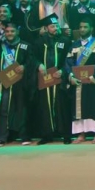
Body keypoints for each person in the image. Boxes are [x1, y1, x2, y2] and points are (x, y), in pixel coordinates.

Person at [0, 22, 35, 146]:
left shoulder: (26, 46)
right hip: (4, 82)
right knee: (3, 109)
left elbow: (32, 61)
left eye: (12, 31)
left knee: (21, 109)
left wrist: (24, 66)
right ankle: (2, 136)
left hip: (20, 82)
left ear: (17, 32)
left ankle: (24, 136)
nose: (9, 34)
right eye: (7, 31)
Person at [64, 16, 95, 142]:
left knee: (94, 106)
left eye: (85, 27)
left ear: (91, 29)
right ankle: (81, 134)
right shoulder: (74, 45)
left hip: (92, 81)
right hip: (78, 82)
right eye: (80, 27)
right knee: (79, 107)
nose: (82, 29)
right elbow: (68, 62)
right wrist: (70, 76)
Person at [34, 13, 69, 144]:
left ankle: (65, 134)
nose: (56, 28)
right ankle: (46, 135)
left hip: (59, 78)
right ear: (46, 28)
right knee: (45, 106)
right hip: (44, 78)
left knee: (61, 106)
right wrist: (38, 64)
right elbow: (32, 57)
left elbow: (69, 59)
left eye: (57, 26)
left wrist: (63, 70)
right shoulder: (39, 42)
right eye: (52, 26)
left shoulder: (65, 41)